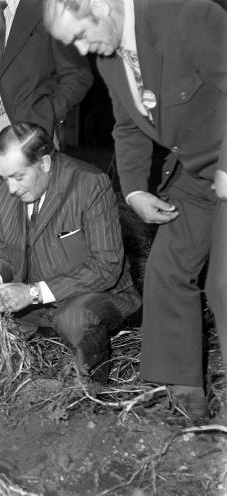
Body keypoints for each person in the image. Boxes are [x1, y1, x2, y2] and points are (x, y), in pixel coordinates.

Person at [42, 0, 227, 418]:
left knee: (223, 283)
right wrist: (135, 192)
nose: (85, 50)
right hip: (195, 174)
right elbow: (127, 125)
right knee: (166, 271)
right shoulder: (112, 58)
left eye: (80, 35)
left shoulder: (189, 17)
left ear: (100, 6)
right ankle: (186, 396)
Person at [0, 122, 141, 381]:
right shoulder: (4, 189)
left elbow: (107, 267)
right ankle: (42, 338)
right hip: (32, 302)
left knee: (75, 319)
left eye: (18, 177)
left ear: (44, 163)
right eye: (4, 177)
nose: (10, 188)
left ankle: (91, 380)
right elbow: (1, 248)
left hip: (89, 295)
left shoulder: (89, 184)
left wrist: (33, 293)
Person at [0, 0, 93, 218]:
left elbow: (78, 75)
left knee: (40, 224)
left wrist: (46, 112)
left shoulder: (49, 8)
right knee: (1, 227)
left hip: (30, 130)